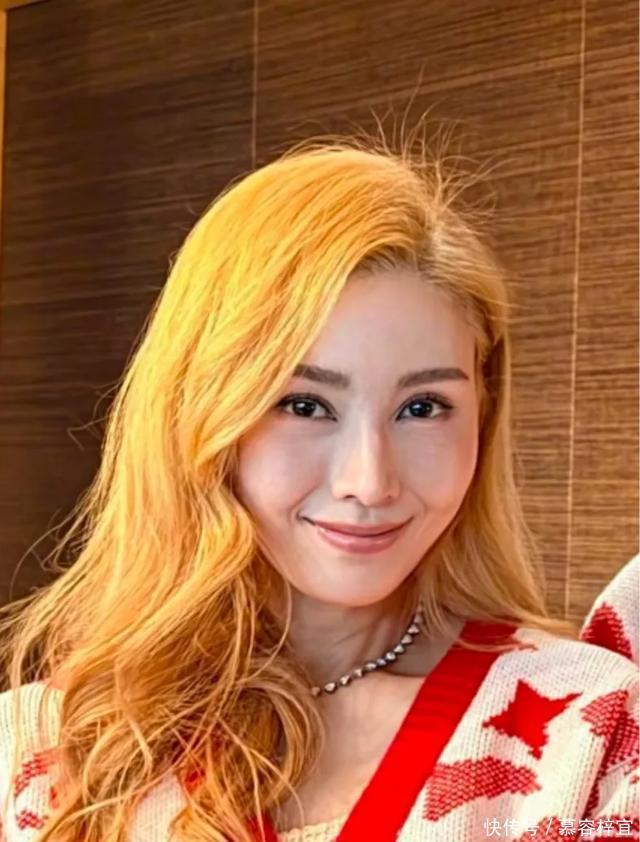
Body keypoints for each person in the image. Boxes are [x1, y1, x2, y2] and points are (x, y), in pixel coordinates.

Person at [0, 124, 637, 842]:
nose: (369, 481)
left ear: (483, 417)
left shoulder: (590, 734)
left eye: (423, 408)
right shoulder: (38, 750)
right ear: (199, 412)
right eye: (304, 405)